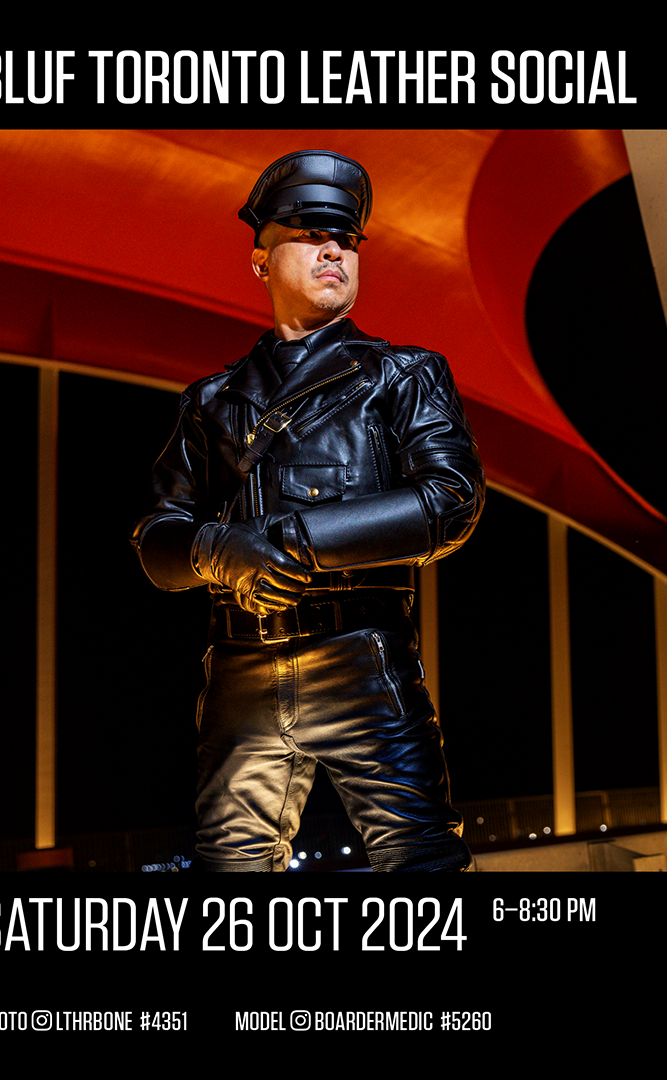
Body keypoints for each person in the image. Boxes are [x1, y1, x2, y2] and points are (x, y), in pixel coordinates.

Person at [131, 149, 484, 872]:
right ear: (259, 261)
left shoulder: (401, 375)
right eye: (308, 232)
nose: (334, 250)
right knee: (230, 874)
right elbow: (156, 540)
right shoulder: (211, 401)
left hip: (362, 654)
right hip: (238, 668)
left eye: (347, 239)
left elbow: (452, 500)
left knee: (422, 868)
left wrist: (289, 540)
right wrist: (217, 552)